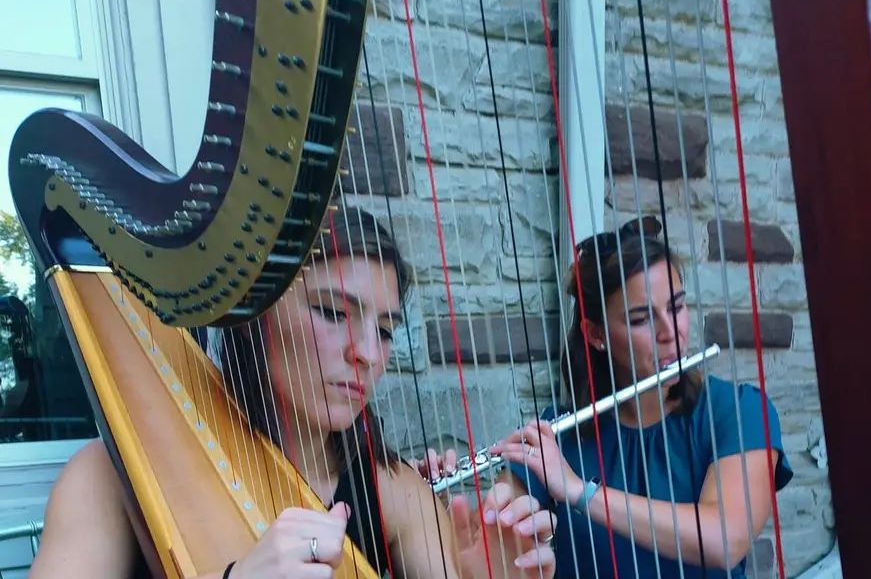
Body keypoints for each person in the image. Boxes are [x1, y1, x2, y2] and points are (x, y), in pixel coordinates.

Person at [28, 204, 557, 579]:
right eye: (332, 313)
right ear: (252, 314)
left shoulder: (392, 490)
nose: (368, 353)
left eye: (386, 329)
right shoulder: (106, 475)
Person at [429, 217, 794, 578]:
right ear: (596, 334)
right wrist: (433, 504)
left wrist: (579, 492)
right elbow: (477, 547)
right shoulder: (559, 438)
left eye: (676, 307)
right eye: (641, 319)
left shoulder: (737, 411)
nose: (671, 333)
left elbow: (724, 540)